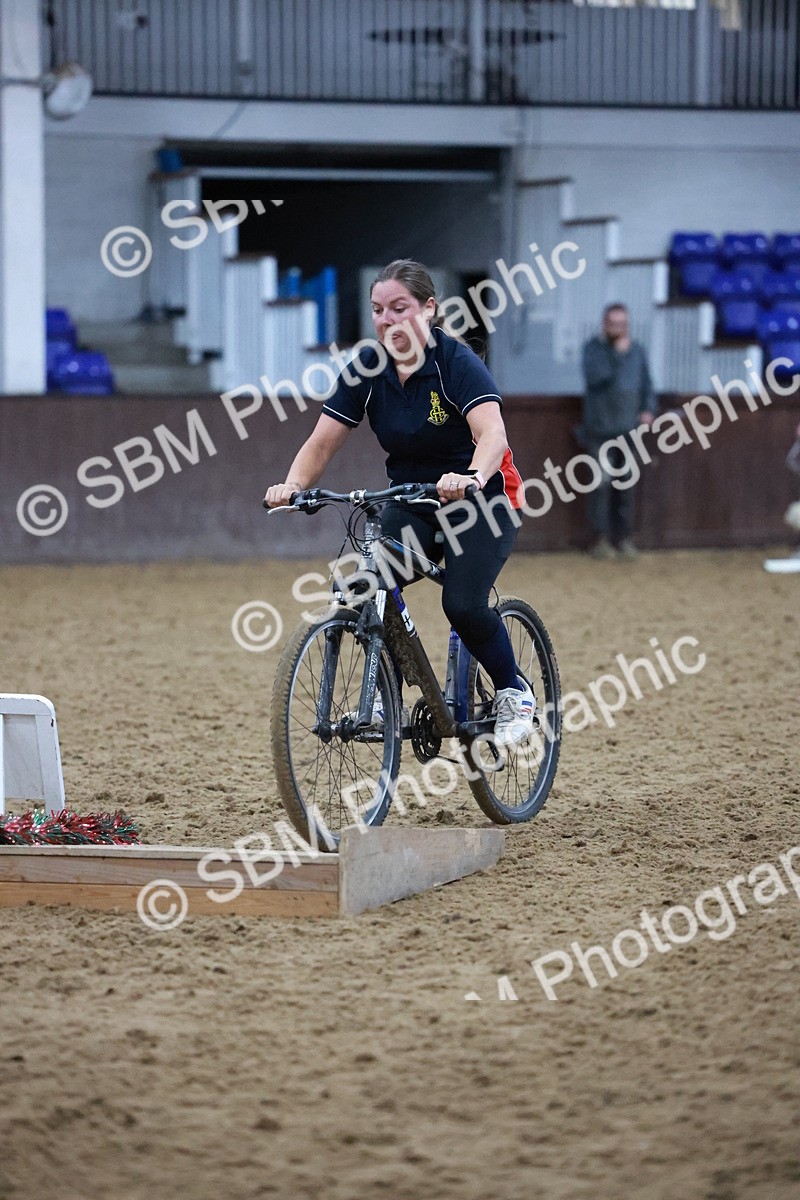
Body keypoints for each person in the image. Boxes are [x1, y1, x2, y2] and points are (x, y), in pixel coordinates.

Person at [264, 258, 532, 746]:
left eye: (399, 308)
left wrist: (471, 476)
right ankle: (396, 683)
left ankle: (514, 690)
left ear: (429, 309)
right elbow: (321, 443)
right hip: (412, 497)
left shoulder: (456, 364)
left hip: (483, 499)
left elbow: (492, 435)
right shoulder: (367, 368)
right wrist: (293, 485)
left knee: (463, 603)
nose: (388, 320)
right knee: (364, 586)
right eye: (378, 310)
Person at [580, 303, 655, 560]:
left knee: (626, 488)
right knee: (600, 487)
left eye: (622, 324)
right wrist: (618, 356)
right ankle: (600, 540)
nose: (618, 329)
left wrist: (648, 410)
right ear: (604, 324)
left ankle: (623, 539)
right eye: (613, 324)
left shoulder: (638, 352)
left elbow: (647, 384)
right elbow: (596, 378)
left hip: (629, 431)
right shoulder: (593, 350)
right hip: (600, 431)